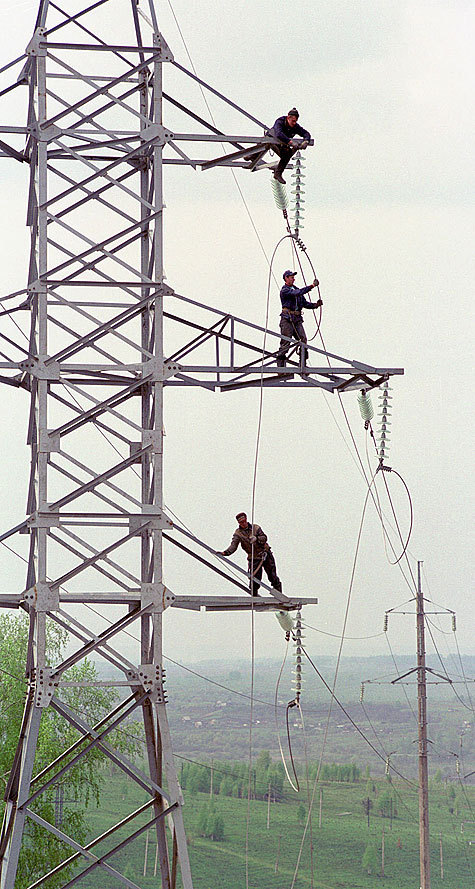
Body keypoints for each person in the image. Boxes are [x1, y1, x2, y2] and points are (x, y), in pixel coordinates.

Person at [217, 512, 282, 596]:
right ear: (238, 523)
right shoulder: (238, 533)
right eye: (241, 522)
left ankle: (279, 594)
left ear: (246, 520)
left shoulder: (255, 528)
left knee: (272, 576)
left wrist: (257, 539)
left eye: (244, 521)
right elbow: (233, 545)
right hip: (254, 558)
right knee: (255, 579)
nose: (243, 524)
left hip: (265, 555)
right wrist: (225, 553)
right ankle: (254, 597)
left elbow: (264, 538)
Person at [277, 270, 322, 369]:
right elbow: (297, 293)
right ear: (286, 278)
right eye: (291, 277)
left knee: (303, 340)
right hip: (287, 319)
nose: (293, 278)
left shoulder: (296, 289)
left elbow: (304, 303)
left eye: (293, 277)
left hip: (297, 319)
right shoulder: (285, 290)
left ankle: (302, 364)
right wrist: (312, 286)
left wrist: (315, 305)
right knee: (286, 342)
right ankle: (280, 367)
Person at [268, 108, 311, 184]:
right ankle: (252, 155)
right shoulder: (280, 121)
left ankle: (278, 173)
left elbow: (306, 133)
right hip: (271, 140)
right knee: (264, 144)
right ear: (288, 118)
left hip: (282, 144)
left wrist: (306, 141)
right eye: (293, 121)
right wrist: (290, 142)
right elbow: (279, 133)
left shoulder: (295, 126)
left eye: (295, 121)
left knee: (287, 155)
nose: (294, 123)